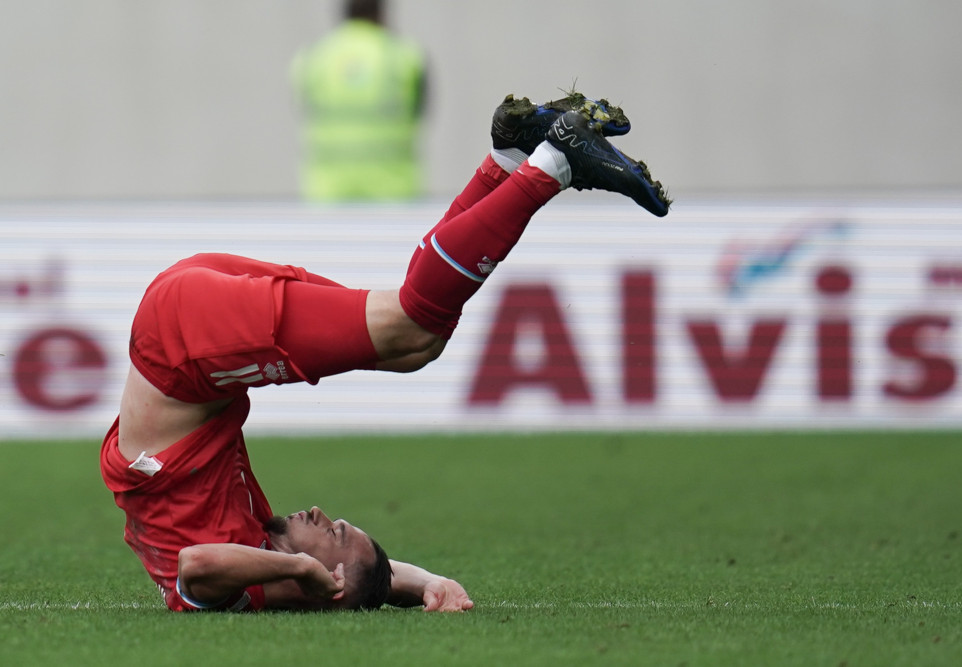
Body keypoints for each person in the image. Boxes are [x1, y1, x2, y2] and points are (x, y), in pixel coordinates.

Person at [99, 90, 670, 613]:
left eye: (336, 533)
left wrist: (302, 564)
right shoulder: (268, 569)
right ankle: (507, 163)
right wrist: (428, 583)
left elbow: (195, 565)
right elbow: (372, 576)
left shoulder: (239, 587)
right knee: (415, 344)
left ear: (320, 579)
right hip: (189, 329)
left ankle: (557, 162)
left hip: (184, 344)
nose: (323, 514)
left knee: (410, 327)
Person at [291, 0, 428, 201]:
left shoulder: (316, 55)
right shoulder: (403, 55)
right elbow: (420, 111)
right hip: (392, 193)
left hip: (327, 192)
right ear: (380, 12)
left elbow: (304, 107)